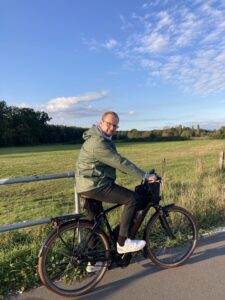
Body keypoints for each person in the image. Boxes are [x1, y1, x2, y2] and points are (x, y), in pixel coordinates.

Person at [75, 111, 157, 255]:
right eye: (109, 124)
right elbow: (119, 162)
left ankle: (91, 260)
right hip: (96, 185)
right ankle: (122, 242)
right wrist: (144, 175)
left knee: (95, 224)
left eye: (115, 125)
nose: (112, 128)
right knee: (132, 199)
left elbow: (115, 161)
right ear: (101, 123)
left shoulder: (99, 139)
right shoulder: (98, 142)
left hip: (86, 185)